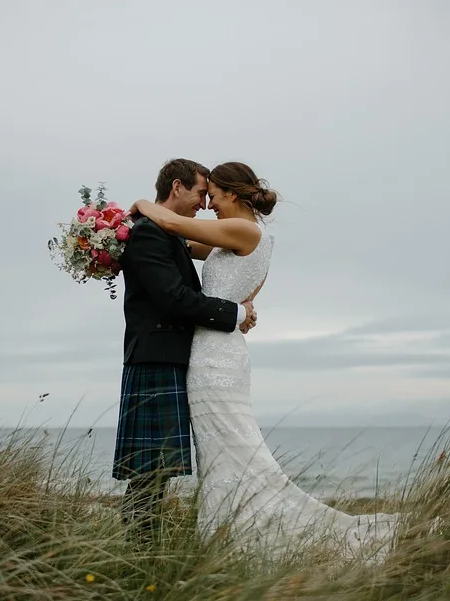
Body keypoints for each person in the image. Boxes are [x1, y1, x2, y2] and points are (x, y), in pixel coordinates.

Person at [129, 162, 401, 563]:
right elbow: (183, 247)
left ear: (234, 195)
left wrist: (137, 204)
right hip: (218, 350)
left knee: (233, 449)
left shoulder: (244, 230)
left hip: (214, 358)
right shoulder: (238, 238)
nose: (210, 206)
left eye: (215, 197)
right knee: (226, 450)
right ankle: (230, 531)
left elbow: (171, 227)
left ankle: (242, 535)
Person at [113, 158, 257, 540]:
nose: (203, 204)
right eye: (199, 193)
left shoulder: (167, 233)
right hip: (155, 359)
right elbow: (175, 299)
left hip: (171, 357)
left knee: (157, 472)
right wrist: (235, 313)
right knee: (150, 472)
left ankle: (144, 547)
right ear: (177, 187)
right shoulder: (148, 233)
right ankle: (140, 550)